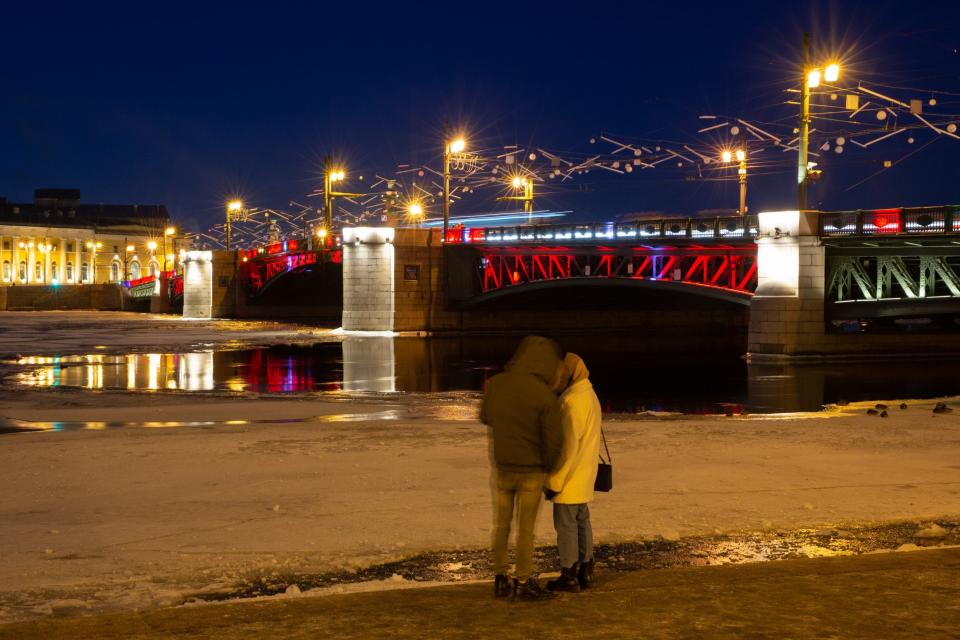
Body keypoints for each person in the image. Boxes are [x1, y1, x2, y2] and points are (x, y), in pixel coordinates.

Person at [480, 336, 567, 600]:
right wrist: (548, 467)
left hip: (503, 467)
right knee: (525, 530)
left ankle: (499, 577)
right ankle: (522, 580)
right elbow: (554, 440)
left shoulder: (496, 384)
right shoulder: (544, 395)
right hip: (531, 470)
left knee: (501, 525)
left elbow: (485, 416)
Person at [544, 352, 602, 593]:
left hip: (570, 477)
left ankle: (568, 574)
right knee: (582, 522)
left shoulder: (571, 403)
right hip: (585, 473)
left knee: (566, 526)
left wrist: (553, 481)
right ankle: (585, 569)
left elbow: (566, 448)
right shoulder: (590, 396)